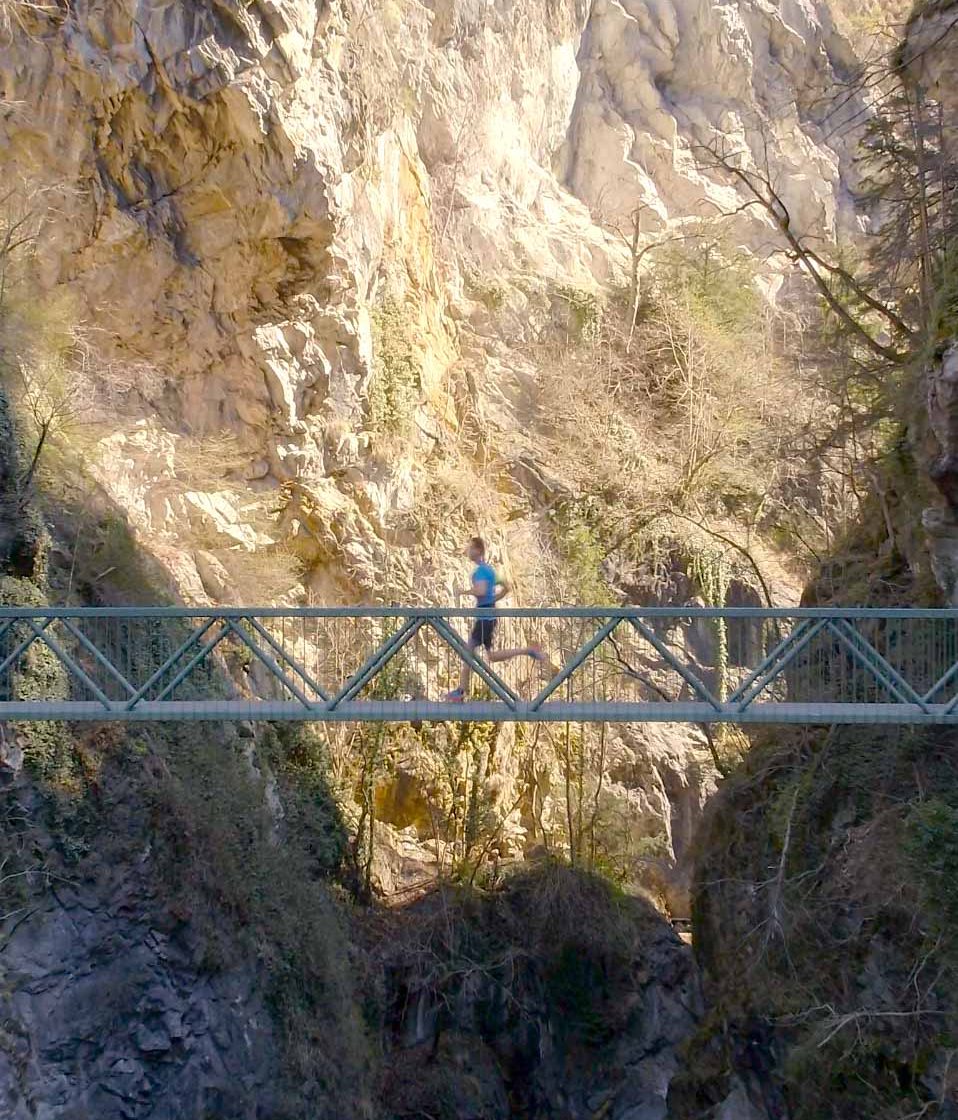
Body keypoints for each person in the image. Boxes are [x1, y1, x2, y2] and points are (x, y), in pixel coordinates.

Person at [446, 536, 544, 701]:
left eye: (470, 548)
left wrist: (464, 592)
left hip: (484, 616)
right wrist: (492, 601)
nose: (468, 551)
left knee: (468, 651)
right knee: (490, 656)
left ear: (478, 551)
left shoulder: (480, 572)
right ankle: (528, 650)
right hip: (489, 614)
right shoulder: (491, 570)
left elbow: (481, 591)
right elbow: (507, 587)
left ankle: (461, 692)